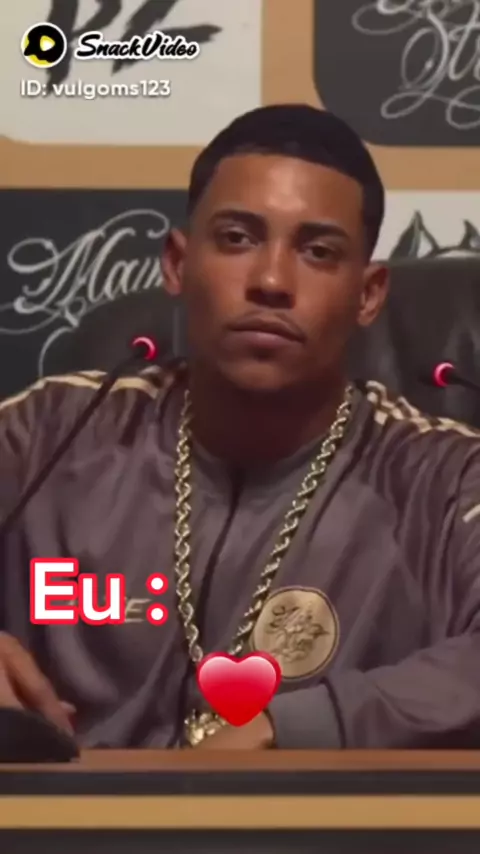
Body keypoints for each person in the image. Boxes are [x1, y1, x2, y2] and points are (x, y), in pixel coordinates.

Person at [0, 103, 479, 752]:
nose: (272, 280)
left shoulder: (443, 480)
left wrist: (302, 726)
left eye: (318, 251)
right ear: (178, 264)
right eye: (237, 239)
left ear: (367, 295)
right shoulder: (49, 434)